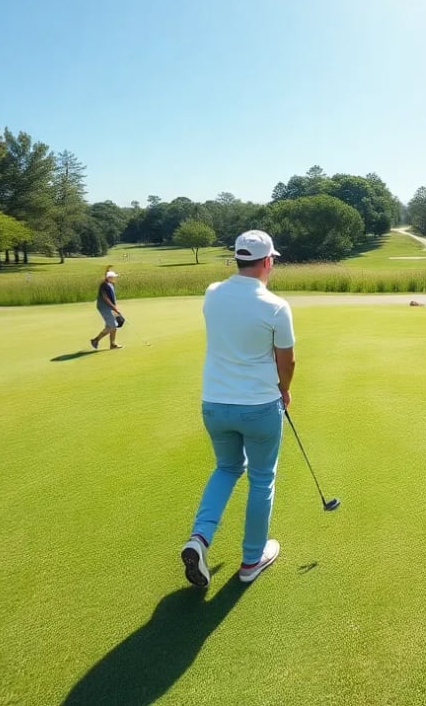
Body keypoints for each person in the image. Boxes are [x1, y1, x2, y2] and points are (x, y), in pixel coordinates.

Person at [182, 229, 295, 587]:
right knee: (261, 479)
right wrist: (285, 391)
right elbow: (287, 361)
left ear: (237, 259)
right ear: (267, 262)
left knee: (227, 468)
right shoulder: (276, 306)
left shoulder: (212, 293)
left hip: (215, 404)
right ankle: (251, 560)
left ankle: (199, 538)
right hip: (259, 407)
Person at [89, 268, 123, 350]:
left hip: (110, 307)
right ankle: (95, 340)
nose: (114, 278)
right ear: (109, 277)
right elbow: (105, 298)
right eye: (113, 277)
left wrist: (115, 307)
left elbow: (112, 297)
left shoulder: (111, 284)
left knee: (112, 325)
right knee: (113, 325)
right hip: (104, 307)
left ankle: (112, 344)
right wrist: (114, 307)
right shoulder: (103, 285)